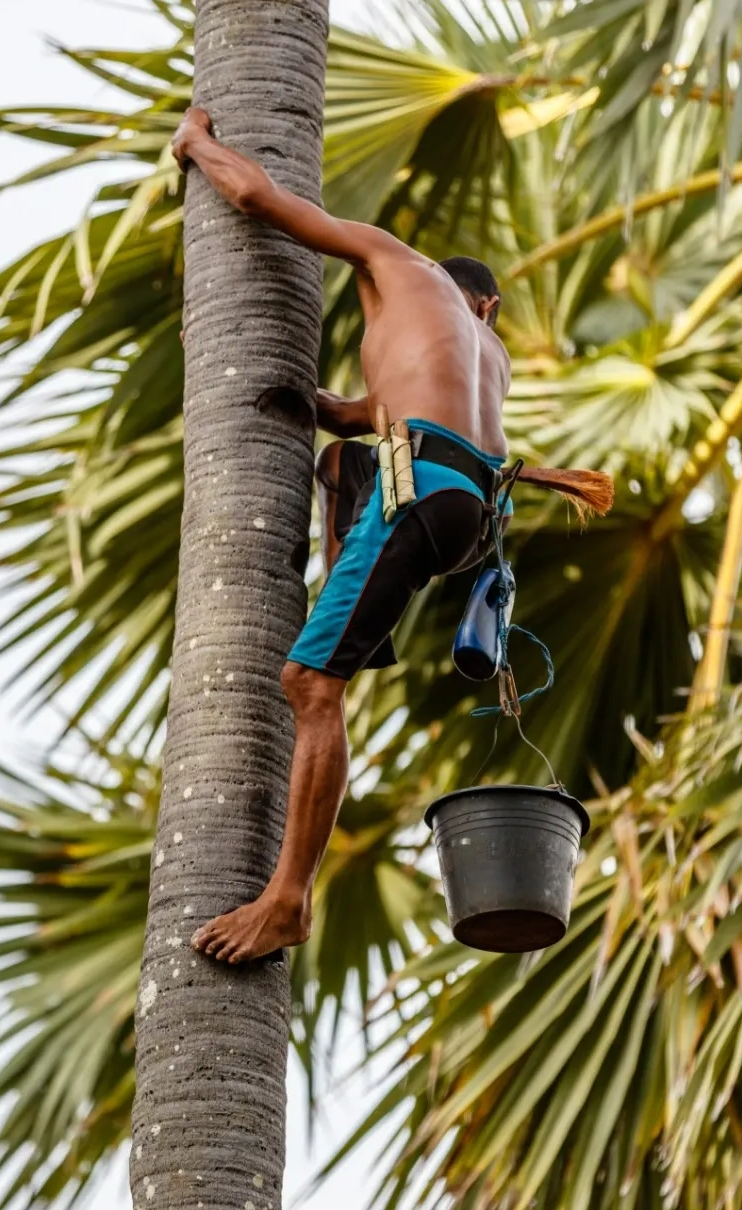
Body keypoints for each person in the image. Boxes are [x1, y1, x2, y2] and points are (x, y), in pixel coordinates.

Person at [173, 106, 513, 964]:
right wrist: (318, 406)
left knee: (308, 684)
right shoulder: (488, 351)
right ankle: (359, 607)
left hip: (420, 490)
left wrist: (200, 143)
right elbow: (362, 414)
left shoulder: (394, 258)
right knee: (338, 465)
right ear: (490, 304)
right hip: (471, 515)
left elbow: (254, 196)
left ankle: (288, 898)